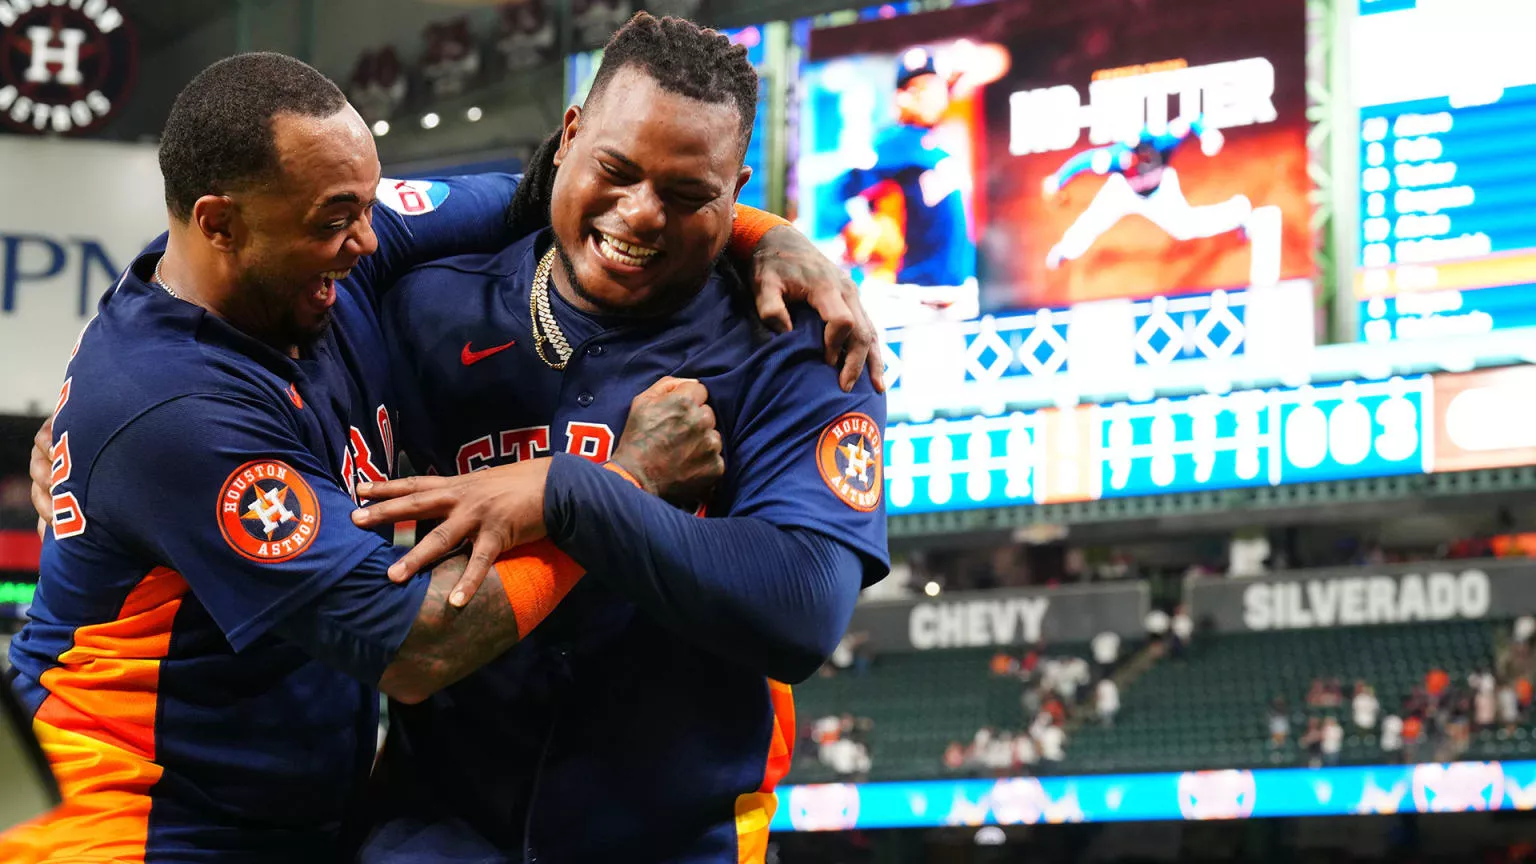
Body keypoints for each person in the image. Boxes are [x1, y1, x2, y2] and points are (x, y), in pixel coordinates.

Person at [8, 51, 879, 862]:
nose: (369, 237)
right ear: (221, 225)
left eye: (366, 206)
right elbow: (414, 650)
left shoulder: (337, 267)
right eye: (335, 221)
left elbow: (551, 188)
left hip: (300, 817)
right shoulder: (179, 408)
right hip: (129, 819)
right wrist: (610, 485)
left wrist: (764, 233)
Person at [343, 16, 887, 862]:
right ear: (568, 137)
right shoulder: (424, 305)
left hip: (680, 839)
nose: (640, 215)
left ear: (735, 191)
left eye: (687, 195)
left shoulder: (796, 342)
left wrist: (567, 493)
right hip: (437, 829)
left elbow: (805, 607)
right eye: (616, 170)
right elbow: (231, 279)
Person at [832, 44, 1005, 326]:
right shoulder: (891, 144)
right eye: (917, 89)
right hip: (914, 301)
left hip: (956, 298)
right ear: (901, 97)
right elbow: (836, 197)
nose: (928, 97)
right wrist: (858, 229)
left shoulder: (940, 142)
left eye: (933, 87)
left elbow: (995, 60)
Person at [1042, 116, 1254, 270]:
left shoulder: (1165, 142)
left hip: (1160, 191)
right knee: (1094, 219)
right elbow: (1083, 161)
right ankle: (1065, 250)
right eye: (1134, 152)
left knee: (1185, 228)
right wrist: (1058, 179)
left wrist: (1207, 132)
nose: (1138, 157)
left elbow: (1191, 120)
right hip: (1124, 192)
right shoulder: (1116, 158)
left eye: (1142, 151)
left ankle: (1239, 211)